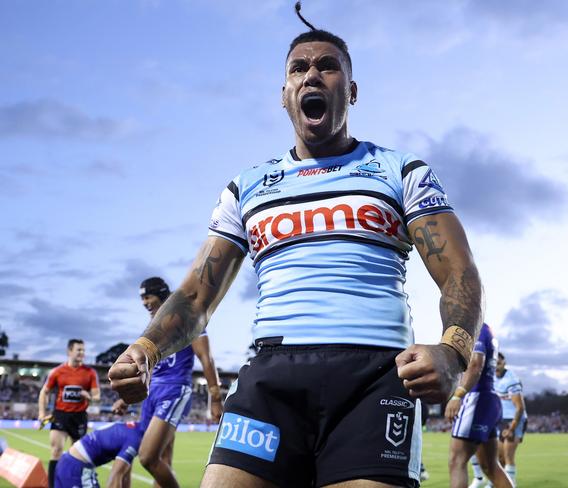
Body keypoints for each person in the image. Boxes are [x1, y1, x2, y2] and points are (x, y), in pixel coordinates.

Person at [108, 7, 484, 488]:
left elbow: (459, 272)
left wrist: (453, 351)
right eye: (298, 68)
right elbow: (195, 297)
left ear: (350, 91)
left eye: (327, 66)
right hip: (271, 377)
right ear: (284, 96)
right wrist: (145, 349)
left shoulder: (400, 170)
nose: (312, 73)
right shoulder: (246, 188)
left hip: (374, 379)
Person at [113, 276, 224, 488]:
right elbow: (148, 367)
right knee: (164, 460)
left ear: (161, 295)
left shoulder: (187, 318)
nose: (144, 302)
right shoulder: (151, 327)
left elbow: (206, 358)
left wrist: (215, 397)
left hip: (174, 390)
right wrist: (127, 400)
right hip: (152, 393)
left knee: (147, 457)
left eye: (148, 297)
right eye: (142, 298)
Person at [445, 324, 512, 488]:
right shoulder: (487, 329)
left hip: (476, 399)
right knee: (490, 466)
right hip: (489, 399)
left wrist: (458, 394)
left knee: (457, 460)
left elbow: (476, 364)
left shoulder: (475, 327)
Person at [38, 339, 100, 488]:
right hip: (60, 415)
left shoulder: (90, 373)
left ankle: (75, 484)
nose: (82, 353)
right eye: (79, 350)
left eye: (84, 350)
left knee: (78, 454)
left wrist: (88, 396)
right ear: (69, 351)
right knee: (56, 450)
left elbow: (97, 397)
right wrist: (41, 413)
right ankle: (52, 485)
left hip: (79, 417)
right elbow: (44, 392)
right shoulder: (57, 372)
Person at [54, 421, 144, 488]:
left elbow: (125, 475)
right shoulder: (136, 439)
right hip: (77, 469)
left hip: (67, 462)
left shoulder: (134, 429)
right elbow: (116, 476)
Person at [493, 353, 526, 486]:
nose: (497, 366)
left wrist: (512, 427)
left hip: (514, 419)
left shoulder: (511, 380)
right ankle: (498, 483)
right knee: (499, 458)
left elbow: (519, 407)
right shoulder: (491, 378)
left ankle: (511, 485)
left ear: (504, 363)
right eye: (494, 363)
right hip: (500, 419)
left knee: (508, 457)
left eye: (499, 363)